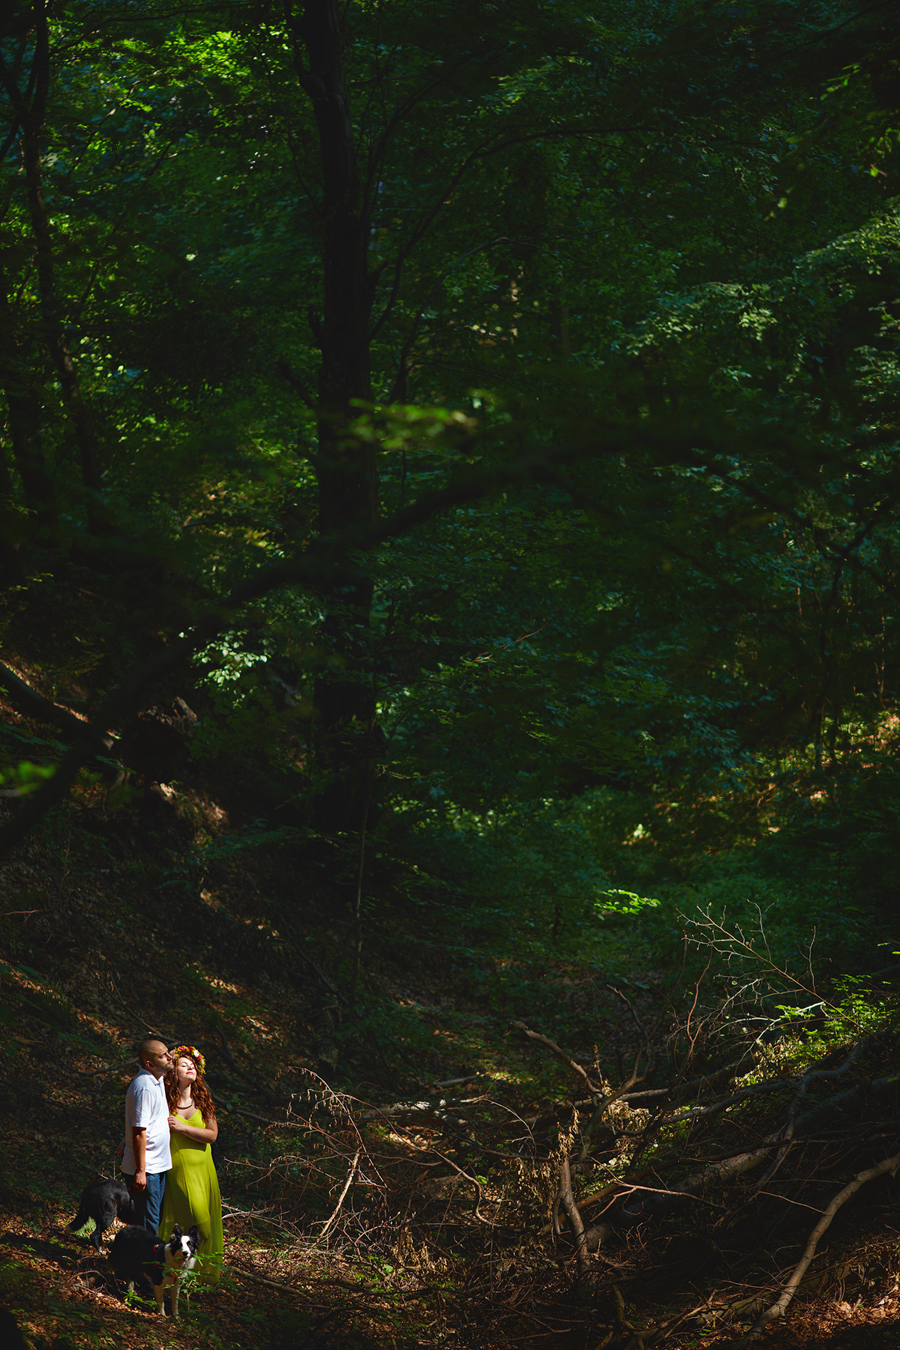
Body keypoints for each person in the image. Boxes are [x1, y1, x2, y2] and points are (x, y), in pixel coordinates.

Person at [158, 1045, 223, 1284]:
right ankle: (175, 1274)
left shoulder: (203, 1100)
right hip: (178, 1170)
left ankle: (195, 1279)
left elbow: (212, 1135)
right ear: (173, 1071)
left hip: (203, 1170)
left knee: (203, 1228)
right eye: (184, 1065)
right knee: (195, 1225)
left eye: (193, 1066)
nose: (190, 1068)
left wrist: (183, 1128)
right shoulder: (164, 1100)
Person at [120, 1038, 172, 1234]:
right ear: (150, 1064)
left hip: (157, 1166)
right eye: (163, 1056)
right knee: (147, 1224)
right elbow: (139, 1131)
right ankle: (143, 1255)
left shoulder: (157, 1080)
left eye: (168, 1052)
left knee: (153, 1220)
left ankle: (143, 1253)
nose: (169, 1057)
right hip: (147, 1168)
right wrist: (141, 1171)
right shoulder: (144, 1087)